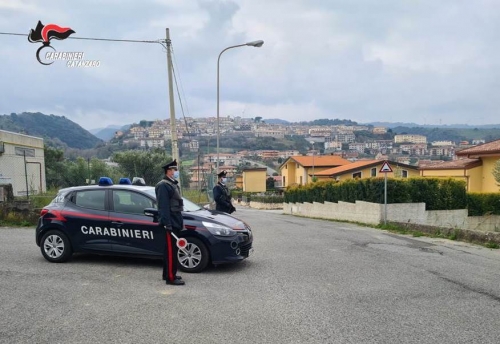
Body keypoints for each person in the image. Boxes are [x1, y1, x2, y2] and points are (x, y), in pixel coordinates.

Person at [155, 159, 185, 286]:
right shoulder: (163, 185)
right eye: (175, 170)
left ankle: (167, 273)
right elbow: (163, 207)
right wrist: (168, 224)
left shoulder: (172, 184)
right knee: (171, 251)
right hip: (170, 223)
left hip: (175, 221)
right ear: (169, 171)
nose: (176, 172)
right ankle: (171, 278)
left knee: (171, 250)